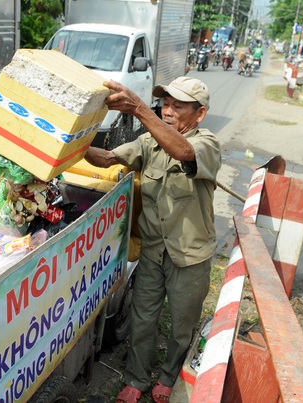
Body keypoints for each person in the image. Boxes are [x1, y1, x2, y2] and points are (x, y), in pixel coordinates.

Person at [84, 76, 221, 403]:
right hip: (153, 252)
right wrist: (69, 142)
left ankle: (169, 374)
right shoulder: (149, 142)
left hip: (189, 256)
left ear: (199, 114)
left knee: (181, 327)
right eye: (165, 104)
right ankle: (135, 378)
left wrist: (140, 108)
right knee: (143, 320)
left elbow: (183, 150)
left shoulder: (206, 143)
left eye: (178, 106)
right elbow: (106, 159)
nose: (168, 111)